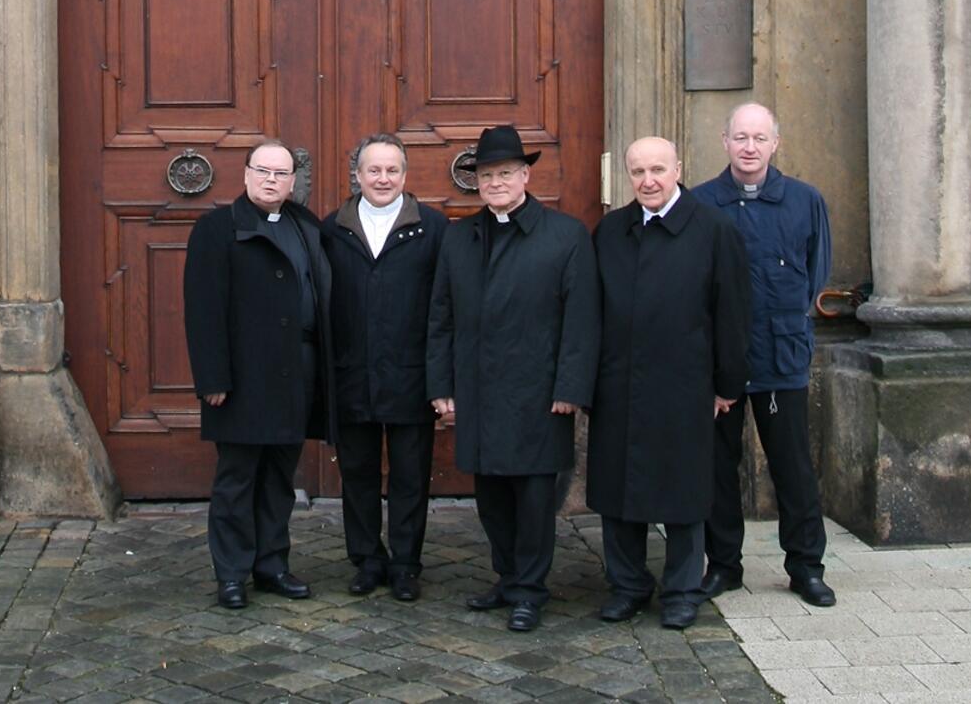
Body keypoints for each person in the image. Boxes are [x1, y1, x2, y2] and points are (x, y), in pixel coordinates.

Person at [427, 125, 600, 632]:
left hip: (538, 392)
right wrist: (441, 385)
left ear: (526, 175)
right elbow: (441, 317)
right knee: (491, 495)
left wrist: (570, 388)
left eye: (505, 172)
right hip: (478, 389)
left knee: (533, 497)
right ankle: (506, 577)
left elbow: (582, 321)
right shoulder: (460, 237)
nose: (496, 182)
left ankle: (530, 588)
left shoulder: (565, 236)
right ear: (475, 181)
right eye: (486, 174)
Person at [588, 136, 751, 629]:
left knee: (684, 492)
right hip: (618, 383)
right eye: (637, 172)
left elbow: (733, 315)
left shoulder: (714, 230)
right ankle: (628, 584)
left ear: (678, 168)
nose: (648, 181)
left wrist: (727, 384)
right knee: (618, 489)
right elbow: (592, 313)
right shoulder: (610, 231)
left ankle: (682, 590)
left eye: (658, 169)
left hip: (685, 385)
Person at [693, 102, 836, 607]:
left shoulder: (804, 200)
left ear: (776, 143)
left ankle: (805, 566)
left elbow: (816, 274)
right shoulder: (701, 204)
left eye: (759, 138)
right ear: (724, 141)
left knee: (793, 467)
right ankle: (724, 565)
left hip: (781, 356)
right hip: (720, 363)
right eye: (740, 137)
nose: (749, 147)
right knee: (716, 466)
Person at [183, 139, 335, 610]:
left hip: (296, 374)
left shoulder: (305, 225)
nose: (272, 180)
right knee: (237, 479)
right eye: (263, 171)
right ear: (246, 174)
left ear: (293, 182)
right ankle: (231, 574)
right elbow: (203, 311)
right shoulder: (216, 229)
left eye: (282, 173)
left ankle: (272, 565)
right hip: (243, 380)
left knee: (278, 479)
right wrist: (212, 379)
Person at [322, 134, 447, 601]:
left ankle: (406, 565)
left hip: (411, 377)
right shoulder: (331, 229)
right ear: (356, 175)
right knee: (357, 474)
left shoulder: (433, 229)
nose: (383, 178)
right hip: (352, 374)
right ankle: (367, 560)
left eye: (392, 170)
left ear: (405, 175)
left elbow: (444, 306)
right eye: (373, 170)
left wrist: (441, 377)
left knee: (411, 476)